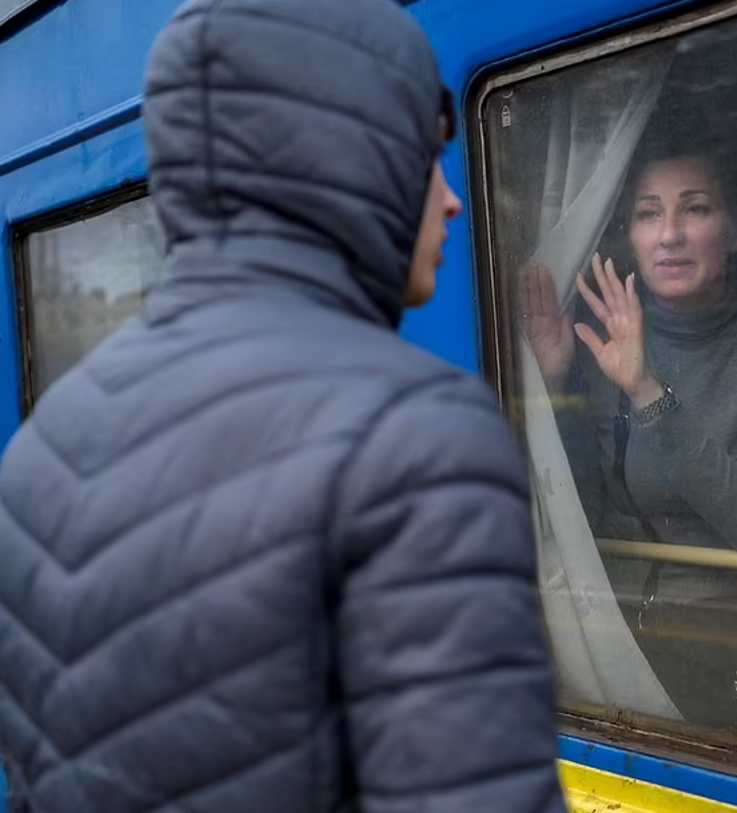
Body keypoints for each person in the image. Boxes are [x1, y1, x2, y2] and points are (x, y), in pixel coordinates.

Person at [0, 1, 565, 811]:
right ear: (353, 161)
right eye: (425, 158)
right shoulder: (416, 435)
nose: (451, 201)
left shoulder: (38, 453)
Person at [520, 146, 737, 734]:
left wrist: (646, 390)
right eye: (648, 214)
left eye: (696, 210)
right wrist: (554, 382)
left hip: (725, 652)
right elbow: (574, 513)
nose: (669, 235)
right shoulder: (602, 331)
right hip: (603, 629)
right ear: (629, 235)